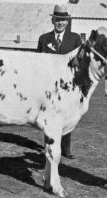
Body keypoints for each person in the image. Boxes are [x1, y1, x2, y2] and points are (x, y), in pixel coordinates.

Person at [37, 4, 82, 159]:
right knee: (49, 117)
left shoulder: (75, 39)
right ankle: (47, 147)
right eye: (58, 20)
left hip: (68, 85)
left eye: (63, 20)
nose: (60, 23)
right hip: (48, 85)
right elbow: (38, 61)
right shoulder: (44, 39)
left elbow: (79, 61)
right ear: (53, 20)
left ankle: (66, 149)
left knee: (66, 115)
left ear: (67, 21)